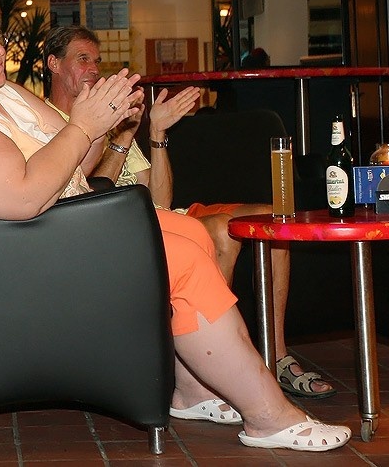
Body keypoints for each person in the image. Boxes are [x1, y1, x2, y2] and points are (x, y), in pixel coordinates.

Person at [0, 0, 350, 452]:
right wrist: (82, 126)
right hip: (22, 260)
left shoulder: (8, 95)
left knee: (192, 232)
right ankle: (268, 415)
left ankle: (190, 390)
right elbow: (23, 197)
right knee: (178, 256)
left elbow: (79, 167)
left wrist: (106, 121)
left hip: (60, 233)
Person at [43, 26, 335, 400]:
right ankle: (216, 369)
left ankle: (276, 355)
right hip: (123, 226)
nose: (93, 69)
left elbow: (160, 200)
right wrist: (123, 137)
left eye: (96, 61)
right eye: (82, 59)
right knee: (221, 231)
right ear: (53, 63)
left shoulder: (109, 118)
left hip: (164, 215)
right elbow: (89, 191)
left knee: (270, 218)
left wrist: (156, 133)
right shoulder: (50, 121)